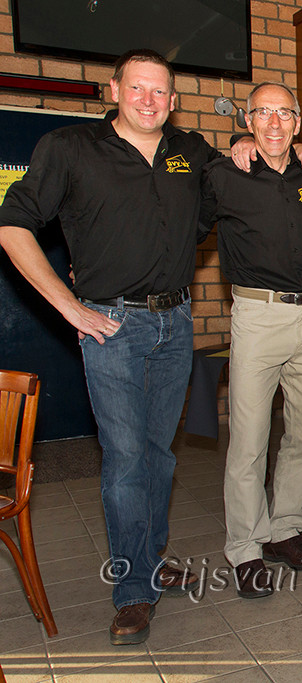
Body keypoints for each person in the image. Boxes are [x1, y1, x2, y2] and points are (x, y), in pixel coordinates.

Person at [0, 49, 218, 645]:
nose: (149, 100)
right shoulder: (70, 148)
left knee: (160, 455)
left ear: (173, 100)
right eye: (138, 88)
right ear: (114, 90)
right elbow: (12, 226)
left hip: (176, 322)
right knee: (125, 460)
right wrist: (69, 306)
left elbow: (223, 197)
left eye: (161, 91)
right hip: (112, 328)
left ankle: (149, 560)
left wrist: (264, 143)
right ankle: (133, 591)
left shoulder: (191, 151)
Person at [201, 82, 302, 599]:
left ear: (298, 122)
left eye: (284, 114)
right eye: (263, 113)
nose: (274, 123)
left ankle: (285, 530)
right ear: (248, 121)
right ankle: (245, 547)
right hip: (258, 315)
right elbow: (180, 225)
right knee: (249, 439)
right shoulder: (224, 174)